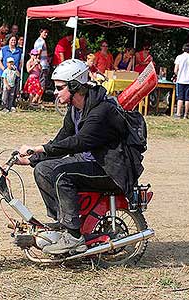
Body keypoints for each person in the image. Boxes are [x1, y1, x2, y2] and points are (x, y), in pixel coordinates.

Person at [15, 59, 143, 255]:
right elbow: (62, 139)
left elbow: (78, 142)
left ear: (74, 86)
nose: (55, 92)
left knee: (61, 175)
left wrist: (37, 148)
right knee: (43, 170)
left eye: (59, 88)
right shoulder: (75, 109)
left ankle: (74, 237)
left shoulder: (102, 111)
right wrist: (32, 159)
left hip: (110, 170)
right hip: (91, 163)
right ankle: (64, 224)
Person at [0, 35, 22, 111]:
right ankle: (4, 105)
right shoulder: (4, 49)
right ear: (9, 40)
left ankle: (12, 105)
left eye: (14, 40)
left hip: (15, 74)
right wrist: (4, 69)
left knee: (14, 91)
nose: (13, 42)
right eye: (12, 40)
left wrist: (18, 69)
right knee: (5, 90)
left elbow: (21, 62)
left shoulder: (19, 51)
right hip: (5, 74)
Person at [173, 43, 189, 118]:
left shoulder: (179, 57)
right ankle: (186, 114)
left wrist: (177, 74)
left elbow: (175, 70)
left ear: (183, 49)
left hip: (180, 79)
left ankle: (178, 113)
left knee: (180, 98)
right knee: (187, 98)